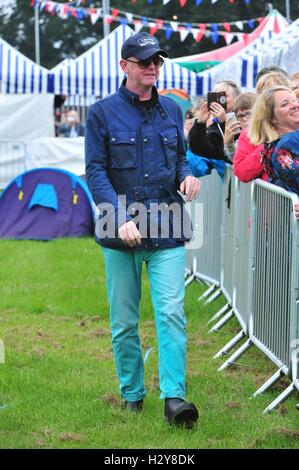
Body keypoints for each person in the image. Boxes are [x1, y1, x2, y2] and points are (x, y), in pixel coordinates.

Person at [85, 32, 200, 428]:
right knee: (123, 320)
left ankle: (175, 399)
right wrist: (119, 217)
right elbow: (95, 171)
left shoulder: (171, 109)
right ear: (124, 66)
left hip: (168, 222)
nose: (153, 67)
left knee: (170, 312)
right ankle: (132, 394)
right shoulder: (101, 112)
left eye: (157, 61)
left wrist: (187, 177)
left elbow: (181, 158)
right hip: (119, 227)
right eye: (144, 60)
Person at [233, 71, 295, 183]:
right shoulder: (250, 132)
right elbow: (242, 172)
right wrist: (269, 146)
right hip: (272, 197)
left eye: (278, 89)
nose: (272, 96)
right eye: (265, 93)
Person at [248, 86, 299, 197]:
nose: (295, 105)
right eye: (285, 104)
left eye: (294, 100)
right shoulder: (287, 144)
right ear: (272, 118)